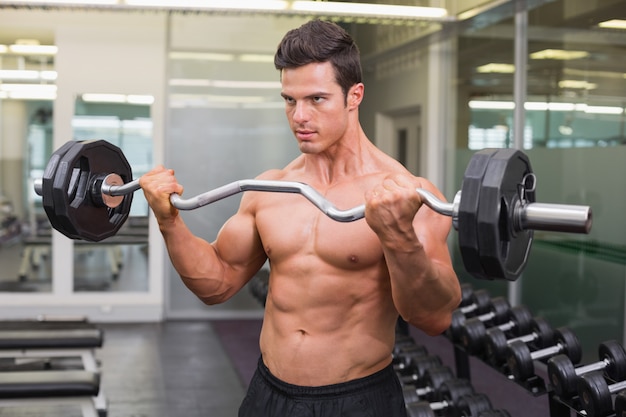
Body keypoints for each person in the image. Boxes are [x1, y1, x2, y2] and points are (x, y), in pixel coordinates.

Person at [140, 19, 461, 417]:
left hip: (357, 400)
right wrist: (169, 222)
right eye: (289, 100)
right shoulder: (270, 188)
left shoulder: (407, 194)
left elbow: (434, 316)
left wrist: (398, 238)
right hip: (268, 393)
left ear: (354, 95)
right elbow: (217, 283)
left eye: (316, 99)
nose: (298, 116)